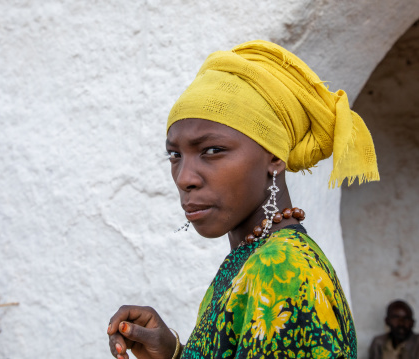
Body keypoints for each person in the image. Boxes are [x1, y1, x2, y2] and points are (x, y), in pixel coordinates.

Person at [107, 40, 379, 359]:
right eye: (175, 155)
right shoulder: (248, 261)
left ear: (275, 157)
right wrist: (174, 353)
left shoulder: (280, 269)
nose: (184, 178)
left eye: (212, 150)